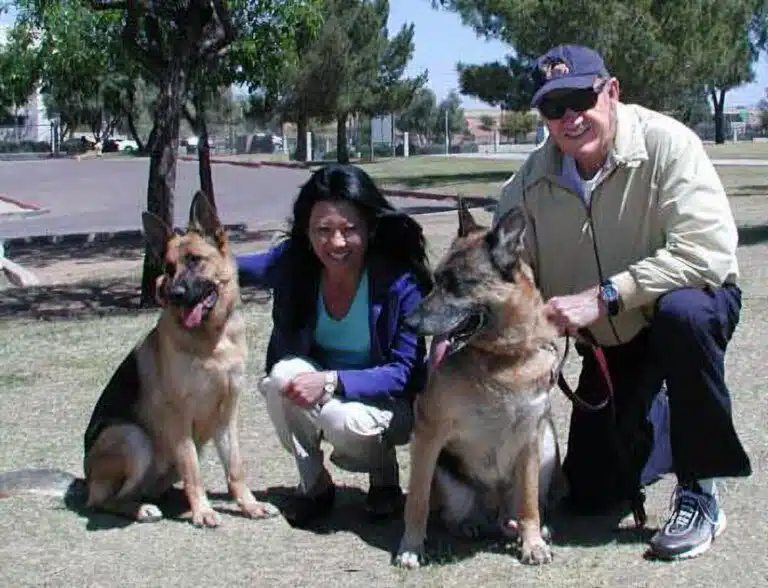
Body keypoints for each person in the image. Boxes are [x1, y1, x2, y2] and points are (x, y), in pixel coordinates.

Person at [494, 44, 751, 560]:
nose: (570, 118)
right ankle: (660, 422)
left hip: (683, 311)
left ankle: (700, 489)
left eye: (580, 99)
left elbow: (705, 252)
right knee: (590, 495)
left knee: (684, 316)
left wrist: (606, 295)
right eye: (554, 107)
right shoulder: (528, 183)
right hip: (613, 342)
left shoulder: (668, 144)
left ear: (611, 92)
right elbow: (508, 271)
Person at [237, 163, 432, 528]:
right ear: (306, 231)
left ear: (370, 227)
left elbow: (404, 373)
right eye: (323, 230)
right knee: (282, 378)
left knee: (340, 419)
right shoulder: (295, 263)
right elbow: (232, 268)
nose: (336, 243)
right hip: (327, 393)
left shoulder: (399, 281)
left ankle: (384, 477)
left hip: (388, 404)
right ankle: (315, 486)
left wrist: (330, 381)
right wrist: (181, 270)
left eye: (349, 229)